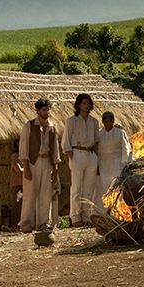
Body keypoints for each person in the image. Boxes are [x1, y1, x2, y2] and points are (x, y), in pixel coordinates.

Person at [18, 99, 61, 232]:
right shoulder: (29, 126)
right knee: (30, 193)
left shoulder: (52, 127)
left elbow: (55, 149)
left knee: (46, 194)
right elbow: (23, 146)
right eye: (44, 110)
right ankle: (26, 223)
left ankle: (43, 223)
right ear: (37, 110)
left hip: (47, 162)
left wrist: (55, 168)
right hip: (32, 162)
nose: (46, 112)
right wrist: (26, 166)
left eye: (48, 109)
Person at [63, 93, 100, 226]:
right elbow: (66, 141)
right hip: (77, 152)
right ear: (79, 104)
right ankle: (75, 216)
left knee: (89, 187)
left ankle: (86, 216)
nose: (86, 105)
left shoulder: (94, 122)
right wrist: (72, 157)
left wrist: (96, 158)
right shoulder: (71, 121)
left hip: (90, 154)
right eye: (84, 103)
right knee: (76, 187)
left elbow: (96, 141)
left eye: (88, 103)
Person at [96, 111, 132, 196]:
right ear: (103, 122)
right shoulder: (98, 134)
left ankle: (117, 207)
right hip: (103, 164)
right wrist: (96, 164)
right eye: (106, 121)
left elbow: (125, 148)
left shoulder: (120, 132)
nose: (108, 123)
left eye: (110, 121)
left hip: (117, 163)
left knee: (116, 186)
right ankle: (106, 208)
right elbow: (96, 150)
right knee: (104, 186)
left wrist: (124, 164)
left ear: (113, 121)